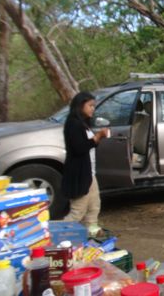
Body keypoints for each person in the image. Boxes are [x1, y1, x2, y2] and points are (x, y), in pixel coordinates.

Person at [62, 91, 110, 237]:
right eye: (90, 105)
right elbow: (79, 148)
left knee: (94, 204)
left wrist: (97, 138)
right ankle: (60, 233)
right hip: (79, 172)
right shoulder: (73, 124)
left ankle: (92, 229)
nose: (92, 109)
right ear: (80, 105)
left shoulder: (84, 123)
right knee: (79, 209)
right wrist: (98, 137)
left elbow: (88, 145)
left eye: (93, 106)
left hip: (89, 171)